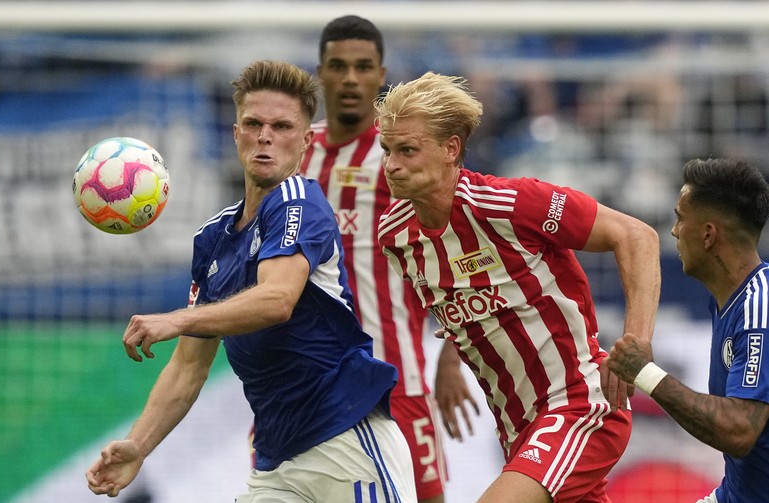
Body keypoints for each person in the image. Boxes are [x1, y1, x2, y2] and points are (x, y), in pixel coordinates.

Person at [85, 59, 417, 503]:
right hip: (276, 463)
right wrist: (139, 446)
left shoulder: (302, 201)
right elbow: (189, 368)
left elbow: (277, 298)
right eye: (253, 123)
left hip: (346, 439)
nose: (265, 136)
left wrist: (180, 319)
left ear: (306, 141)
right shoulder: (213, 239)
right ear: (236, 133)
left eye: (282, 126)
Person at [374, 71, 661, 502]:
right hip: (517, 429)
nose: (392, 164)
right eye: (387, 150)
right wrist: (450, 360)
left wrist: (635, 345)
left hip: (577, 406)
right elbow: (472, 298)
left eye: (408, 150)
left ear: (451, 148)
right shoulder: (395, 236)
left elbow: (637, 236)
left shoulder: (510, 204)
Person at [298, 15, 477, 503]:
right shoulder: (296, 150)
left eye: (363, 67)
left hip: (396, 374)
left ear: (381, 76)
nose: (350, 78)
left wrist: (451, 355)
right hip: (304, 379)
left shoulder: (401, 155)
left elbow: (465, 254)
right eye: (338, 66)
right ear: (321, 72)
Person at [608, 158, 769, 503]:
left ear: (709, 234)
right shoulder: (732, 303)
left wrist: (646, 374)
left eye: (681, 218)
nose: (674, 231)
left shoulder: (761, 307)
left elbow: (739, 430)